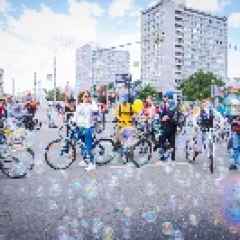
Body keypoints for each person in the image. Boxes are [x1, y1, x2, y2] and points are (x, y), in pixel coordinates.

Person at [73, 91, 98, 171]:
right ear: (81, 97)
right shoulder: (79, 105)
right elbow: (76, 115)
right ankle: (85, 160)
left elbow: (96, 110)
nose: (86, 98)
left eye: (88, 96)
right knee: (82, 145)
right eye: (85, 96)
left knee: (88, 146)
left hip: (87, 127)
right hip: (80, 127)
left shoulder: (91, 106)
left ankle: (92, 163)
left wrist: (92, 101)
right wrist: (73, 122)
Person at [158, 95, 177, 161]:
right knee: (169, 141)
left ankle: (165, 156)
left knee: (165, 140)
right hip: (168, 125)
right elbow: (162, 114)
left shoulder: (171, 103)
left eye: (165, 97)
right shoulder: (166, 104)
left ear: (168, 97)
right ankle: (171, 157)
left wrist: (166, 117)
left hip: (170, 125)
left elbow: (171, 113)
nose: (164, 98)